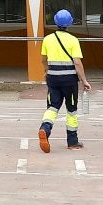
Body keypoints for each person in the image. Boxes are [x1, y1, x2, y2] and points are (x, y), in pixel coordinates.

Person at [39, 8, 93, 151]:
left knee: (52, 107)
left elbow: (43, 59)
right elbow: (77, 63)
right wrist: (84, 81)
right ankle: (72, 142)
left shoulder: (47, 39)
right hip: (69, 81)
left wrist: (46, 72)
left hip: (53, 79)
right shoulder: (73, 40)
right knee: (72, 110)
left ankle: (45, 128)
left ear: (55, 22)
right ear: (70, 23)